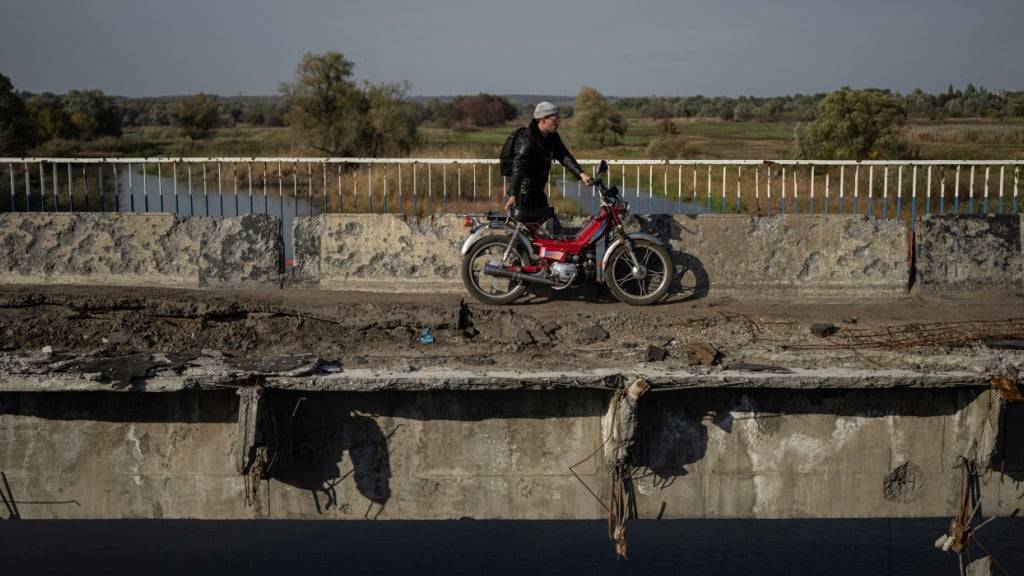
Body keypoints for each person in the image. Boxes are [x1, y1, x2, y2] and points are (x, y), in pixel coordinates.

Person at [504, 101, 592, 233]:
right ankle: (519, 251)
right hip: (524, 193)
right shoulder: (527, 139)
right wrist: (513, 194)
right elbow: (518, 168)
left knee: (541, 229)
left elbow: (564, 155)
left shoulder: (551, 137)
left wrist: (581, 174)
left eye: (558, 119)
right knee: (529, 230)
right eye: (555, 119)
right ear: (543, 119)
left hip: (537, 191)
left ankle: (529, 252)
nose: (558, 122)